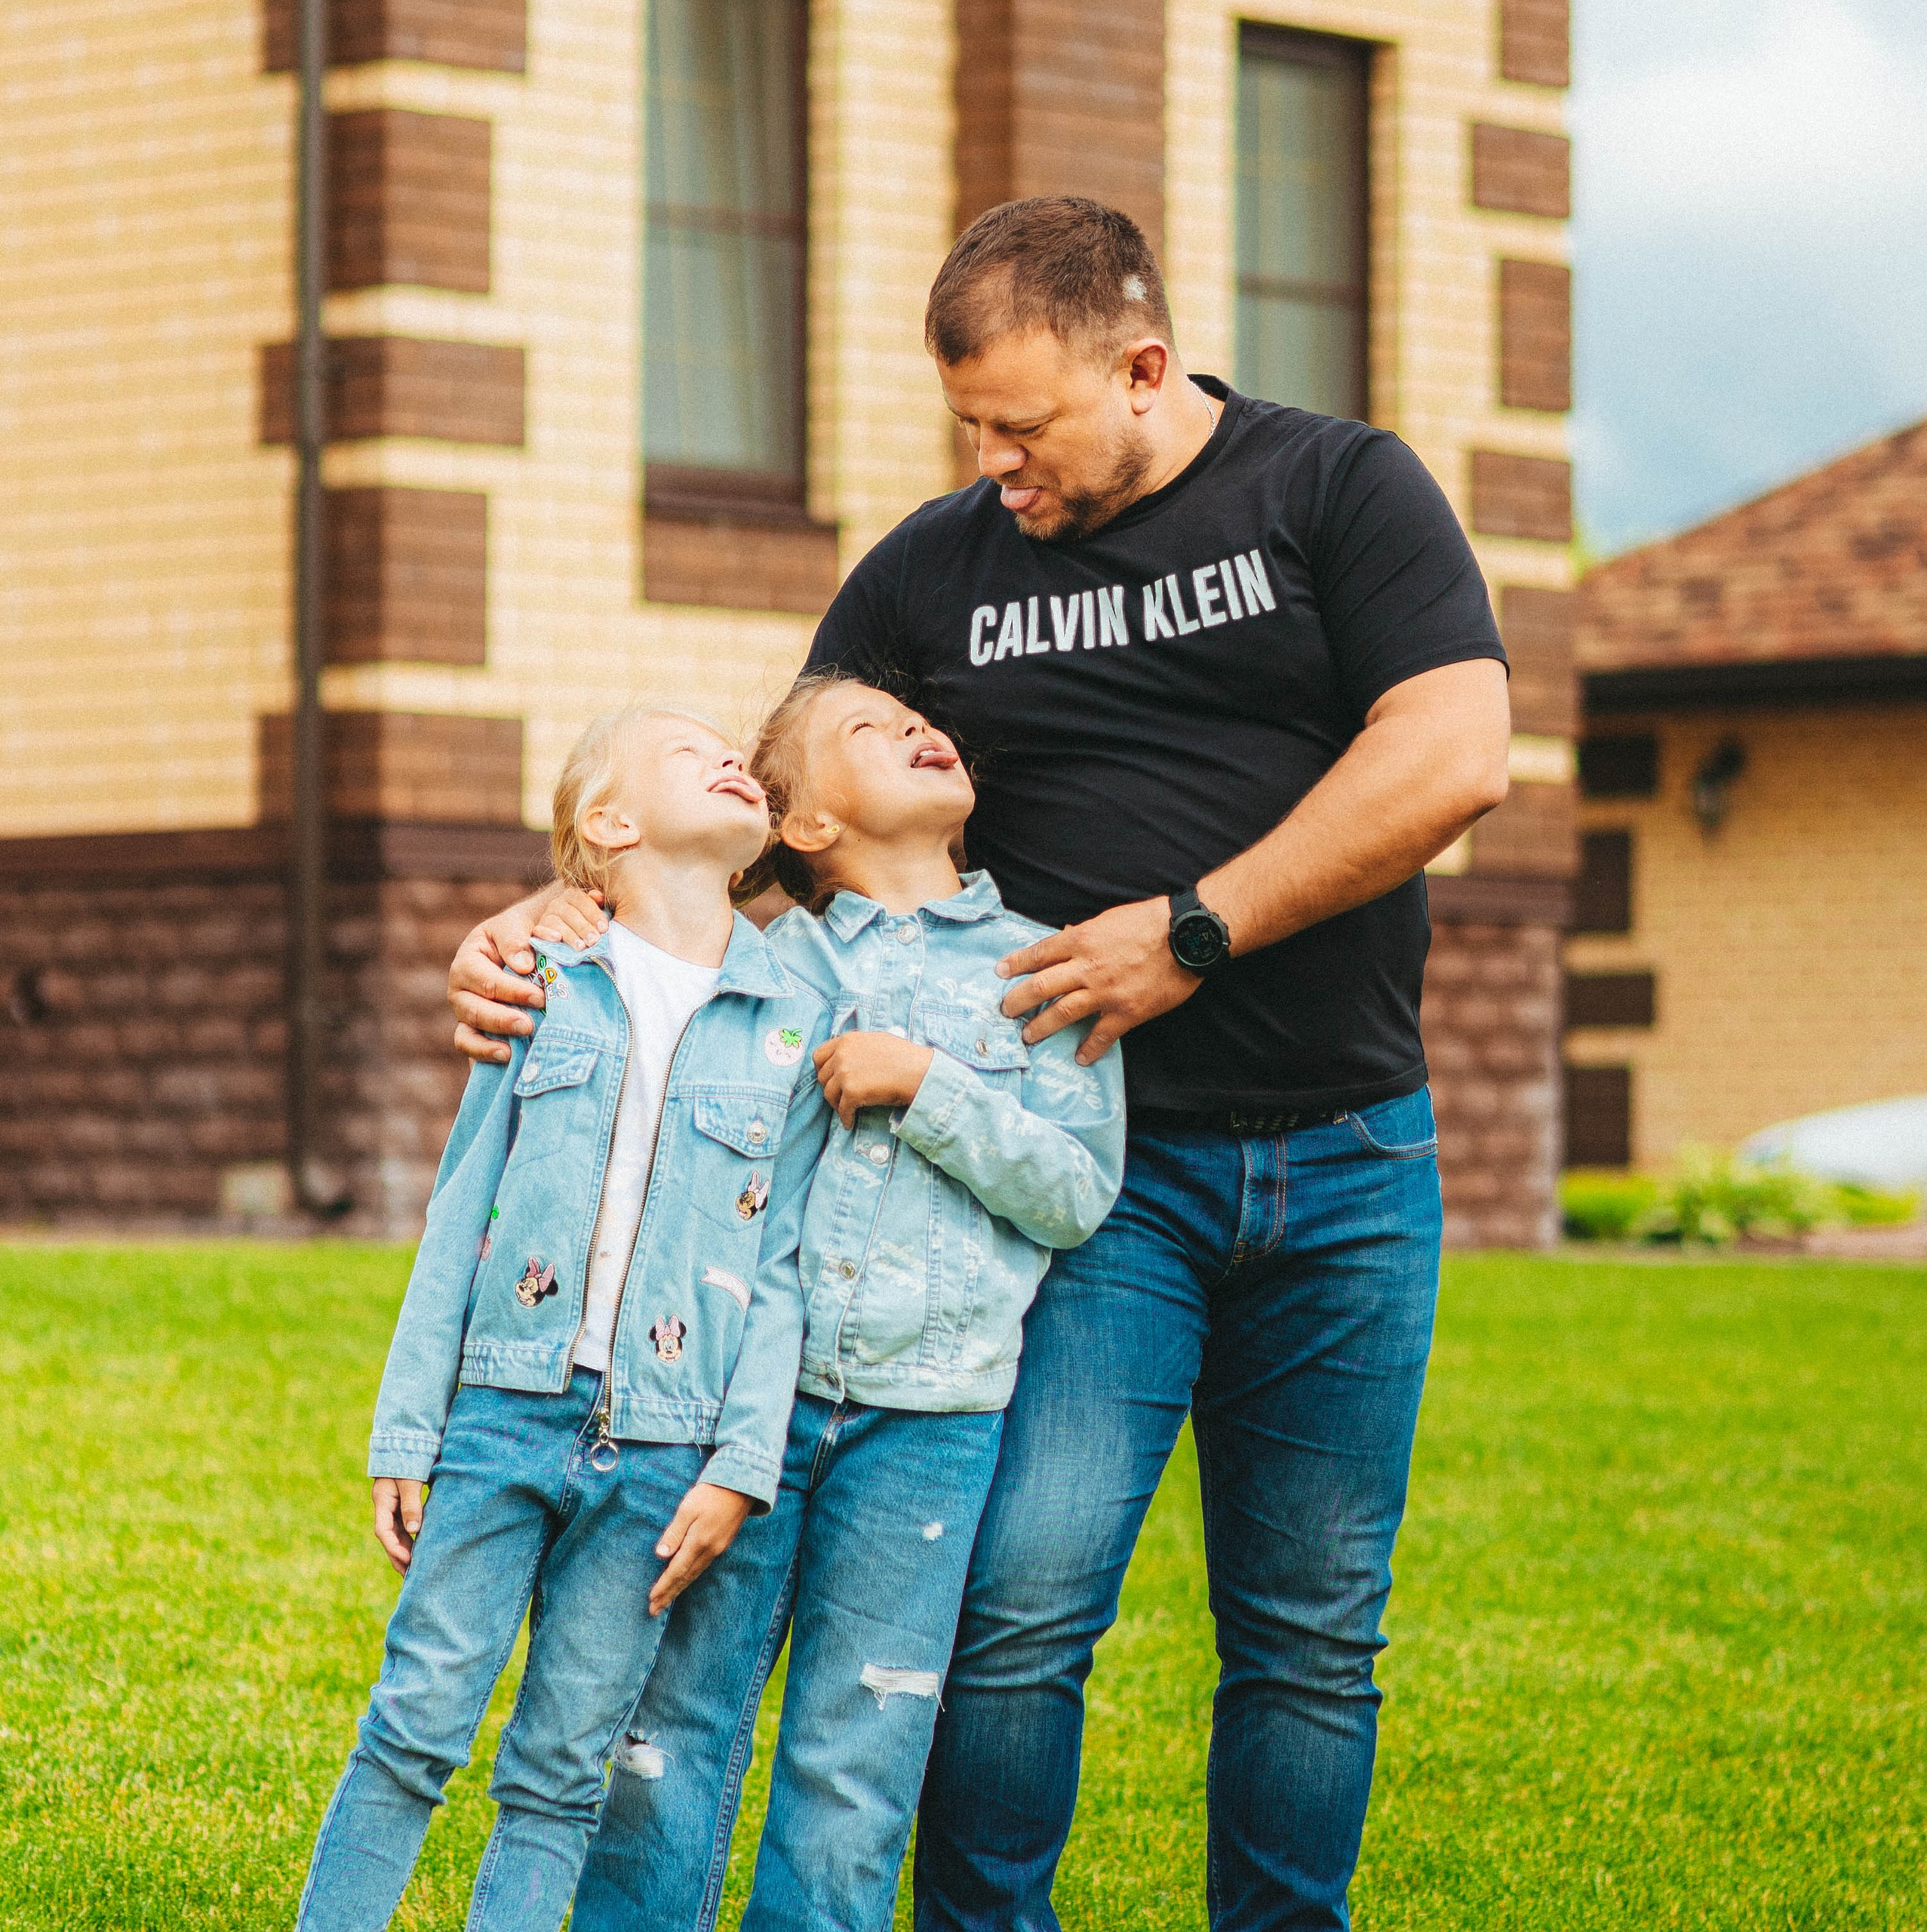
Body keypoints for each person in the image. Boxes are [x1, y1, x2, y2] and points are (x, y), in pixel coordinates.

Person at [447, 195, 1512, 1930]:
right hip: (1093, 1178)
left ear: (1145, 367)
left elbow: (1454, 749)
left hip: (1347, 1154)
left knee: (1312, 1630)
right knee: (1015, 1607)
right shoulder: (937, 568)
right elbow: (775, 797)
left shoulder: (1336, 490)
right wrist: (549, 910)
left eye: (1021, 428)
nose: (991, 463)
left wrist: (1192, 928)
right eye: (968, 427)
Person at [563, 672, 1126, 1931]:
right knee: (670, 1728)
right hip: (740, 1416)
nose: (922, 730)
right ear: (802, 826)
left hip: (932, 1427)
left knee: (858, 1753)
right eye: (870, 731)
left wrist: (931, 1084)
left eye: (923, 722)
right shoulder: (762, 967)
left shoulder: (1049, 968)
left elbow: (1080, 1188)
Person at [295, 707, 834, 1932]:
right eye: (689, 747)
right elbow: (457, 1212)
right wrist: (404, 1428)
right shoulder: (543, 981)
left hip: (665, 1453)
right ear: (611, 822)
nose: (729, 756)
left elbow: (787, 1266)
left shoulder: (792, 1021)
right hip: (500, 1418)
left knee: (558, 1775)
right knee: (412, 1730)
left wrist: (744, 1464)